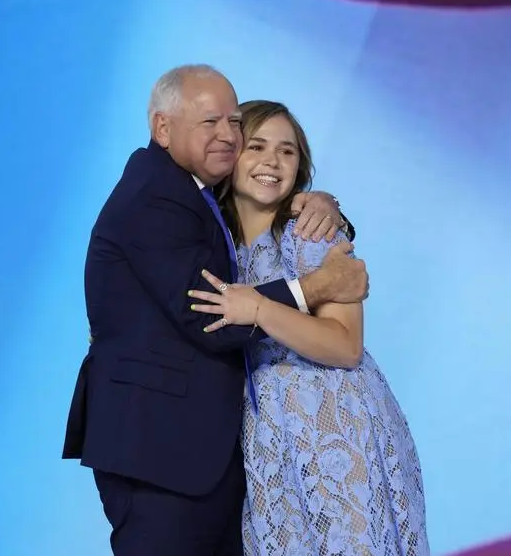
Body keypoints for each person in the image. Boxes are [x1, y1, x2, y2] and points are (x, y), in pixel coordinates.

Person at [61, 65, 369, 556]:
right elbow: (212, 319)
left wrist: (327, 204)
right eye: (211, 123)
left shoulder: (197, 200)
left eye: (233, 123)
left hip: (230, 456)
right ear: (163, 128)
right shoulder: (158, 199)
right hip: (162, 454)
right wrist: (317, 286)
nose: (227, 135)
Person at [189, 100, 430, 556]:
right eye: (256, 146)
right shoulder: (214, 242)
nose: (271, 162)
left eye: (288, 152)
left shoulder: (314, 233)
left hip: (338, 427)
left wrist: (260, 309)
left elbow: (346, 346)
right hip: (271, 440)